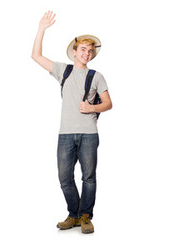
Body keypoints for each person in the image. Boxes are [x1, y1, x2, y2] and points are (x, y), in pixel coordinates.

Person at [31, 10, 112, 234]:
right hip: (65, 134)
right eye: (83, 50)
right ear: (74, 52)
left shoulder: (97, 76)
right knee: (64, 178)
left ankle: (85, 216)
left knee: (88, 177)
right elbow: (36, 56)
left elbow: (108, 103)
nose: (87, 53)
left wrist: (92, 107)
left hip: (89, 134)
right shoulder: (62, 70)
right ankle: (74, 214)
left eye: (90, 51)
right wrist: (41, 29)